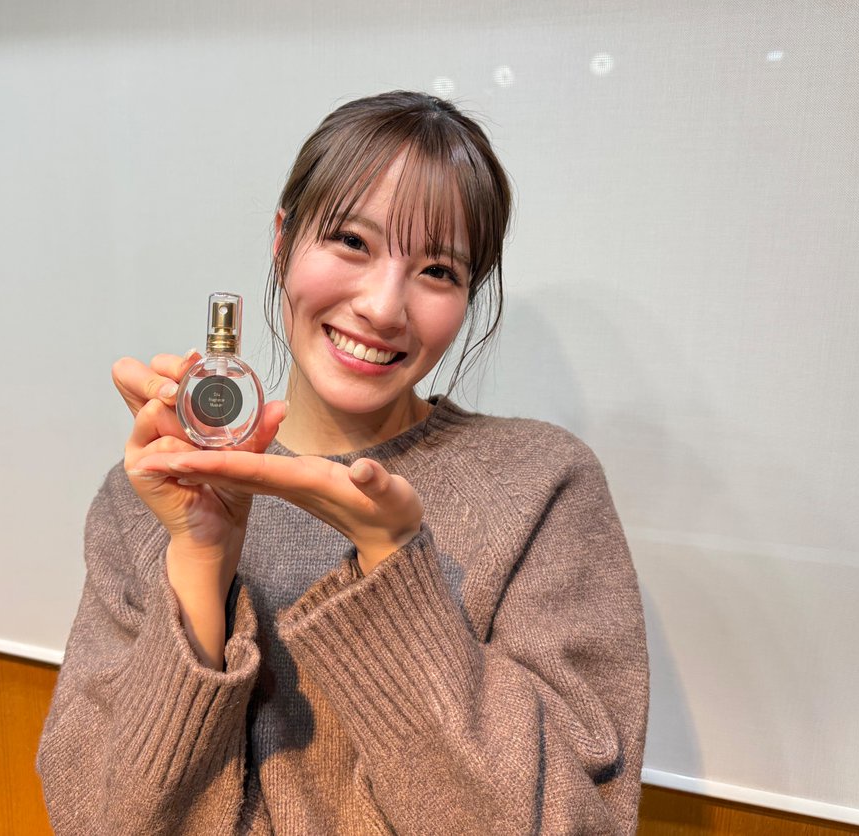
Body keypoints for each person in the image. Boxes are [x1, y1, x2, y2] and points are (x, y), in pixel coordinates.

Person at [36, 90, 649, 835]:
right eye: (353, 242)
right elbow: (100, 820)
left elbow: (578, 822)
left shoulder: (540, 487)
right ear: (283, 242)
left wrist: (394, 565)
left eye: (438, 271)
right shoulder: (152, 492)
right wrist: (199, 560)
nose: (384, 308)